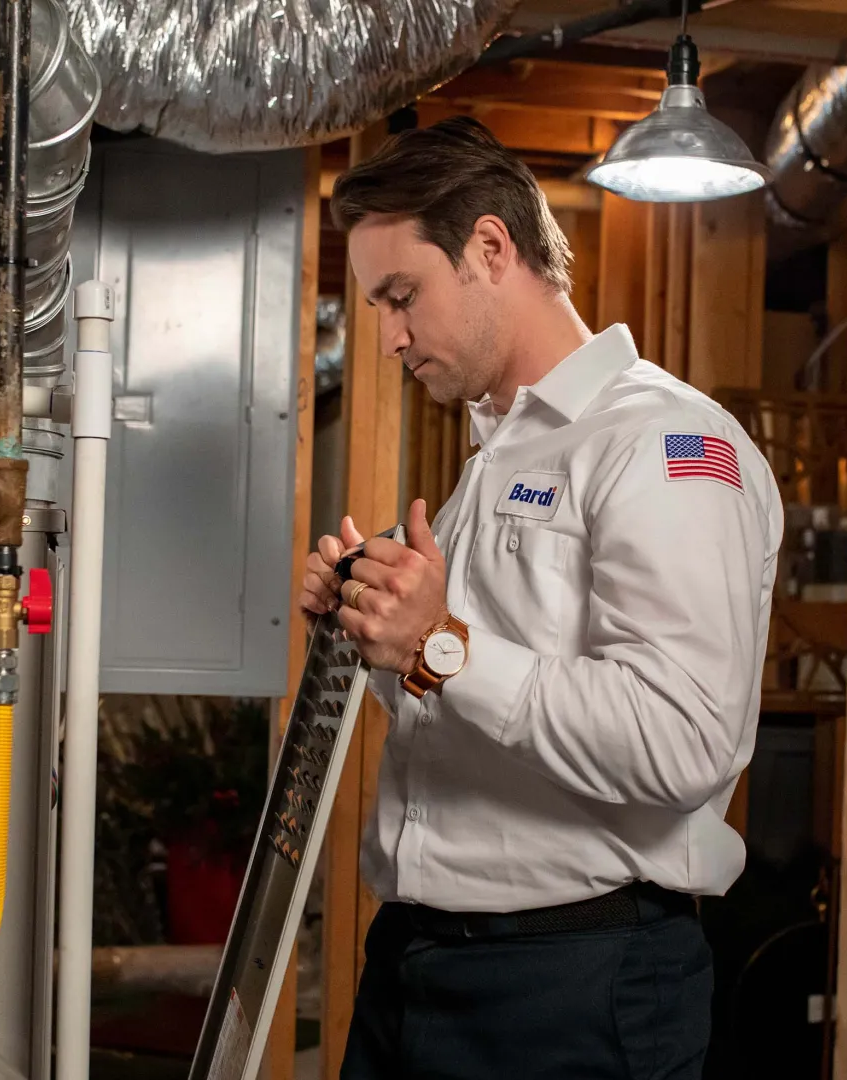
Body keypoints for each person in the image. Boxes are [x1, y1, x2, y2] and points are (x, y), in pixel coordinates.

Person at [299, 117, 783, 1080]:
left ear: (489, 247)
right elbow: (475, 710)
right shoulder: (498, 455)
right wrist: (380, 633)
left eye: (403, 297)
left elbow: (682, 741)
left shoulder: (668, 447)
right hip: (419, 968)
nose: (389, 338)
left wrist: (440, 644)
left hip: (574, 987)